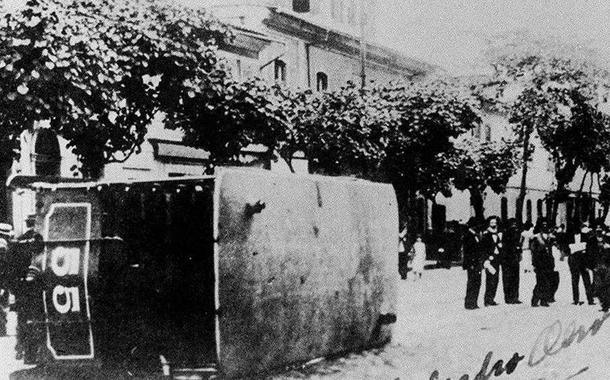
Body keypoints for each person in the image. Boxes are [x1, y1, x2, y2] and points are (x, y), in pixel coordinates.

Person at [13, 214, 45, 363]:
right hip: (37, 287)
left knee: (23, 320)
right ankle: (37, 353)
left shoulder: (19, 241)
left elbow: (10, 267)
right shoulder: (41, 239)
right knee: (38, 319)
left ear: (27, 224)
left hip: (22, 287)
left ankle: (24, 351)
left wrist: (15, 288)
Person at [567, 222, 594, 306]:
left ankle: (590, 299)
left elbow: (588, 249)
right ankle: (576, 300)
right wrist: (581, 248)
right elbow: (568, 248)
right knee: (576, 280)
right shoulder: (570, 237)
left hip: (582, 260)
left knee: (586, 280)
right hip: (575, 259)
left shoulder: (585, 236)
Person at [530, 220, 555, 307]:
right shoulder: (536, 238)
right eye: (543, 225)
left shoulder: (550, 237)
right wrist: (534, 264)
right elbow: (533, 251)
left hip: (548, 262)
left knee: (547, 282)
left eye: (546, 225)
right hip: (539, 263)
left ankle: (544, 300)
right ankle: (535, 300)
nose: (545, 227)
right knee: (540, 282)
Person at [481, 216, 502, 306]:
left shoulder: (498, 233)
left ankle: (492, 298)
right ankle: (487, 299)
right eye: (491, 223)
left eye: (494, 223)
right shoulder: (486, 234)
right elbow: (484, 248)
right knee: (490, 279)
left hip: (497, 258)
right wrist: (486, 258)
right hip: (490, 259)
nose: (493, 224)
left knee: (496, 279)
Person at [462, 218, 482, 310]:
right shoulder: (468, 236)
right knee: (472, 282)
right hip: (472, 263)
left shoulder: (476, 235)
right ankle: (469, 303)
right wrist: (470, 263)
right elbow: (467, 252)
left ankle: (474, 302)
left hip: (477, 262)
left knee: (477, 282)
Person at [501, 218, 522, 304]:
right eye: (512, 224)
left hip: (515, 259)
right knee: (508, 279)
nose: (514, 226)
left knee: (515, 279)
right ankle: (509, 298)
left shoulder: (517, 234)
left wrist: (519, 252)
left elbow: (518, 245)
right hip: (507, 259)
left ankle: (515, 297)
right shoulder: (506, 234)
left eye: (515, 224)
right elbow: (505, 247)